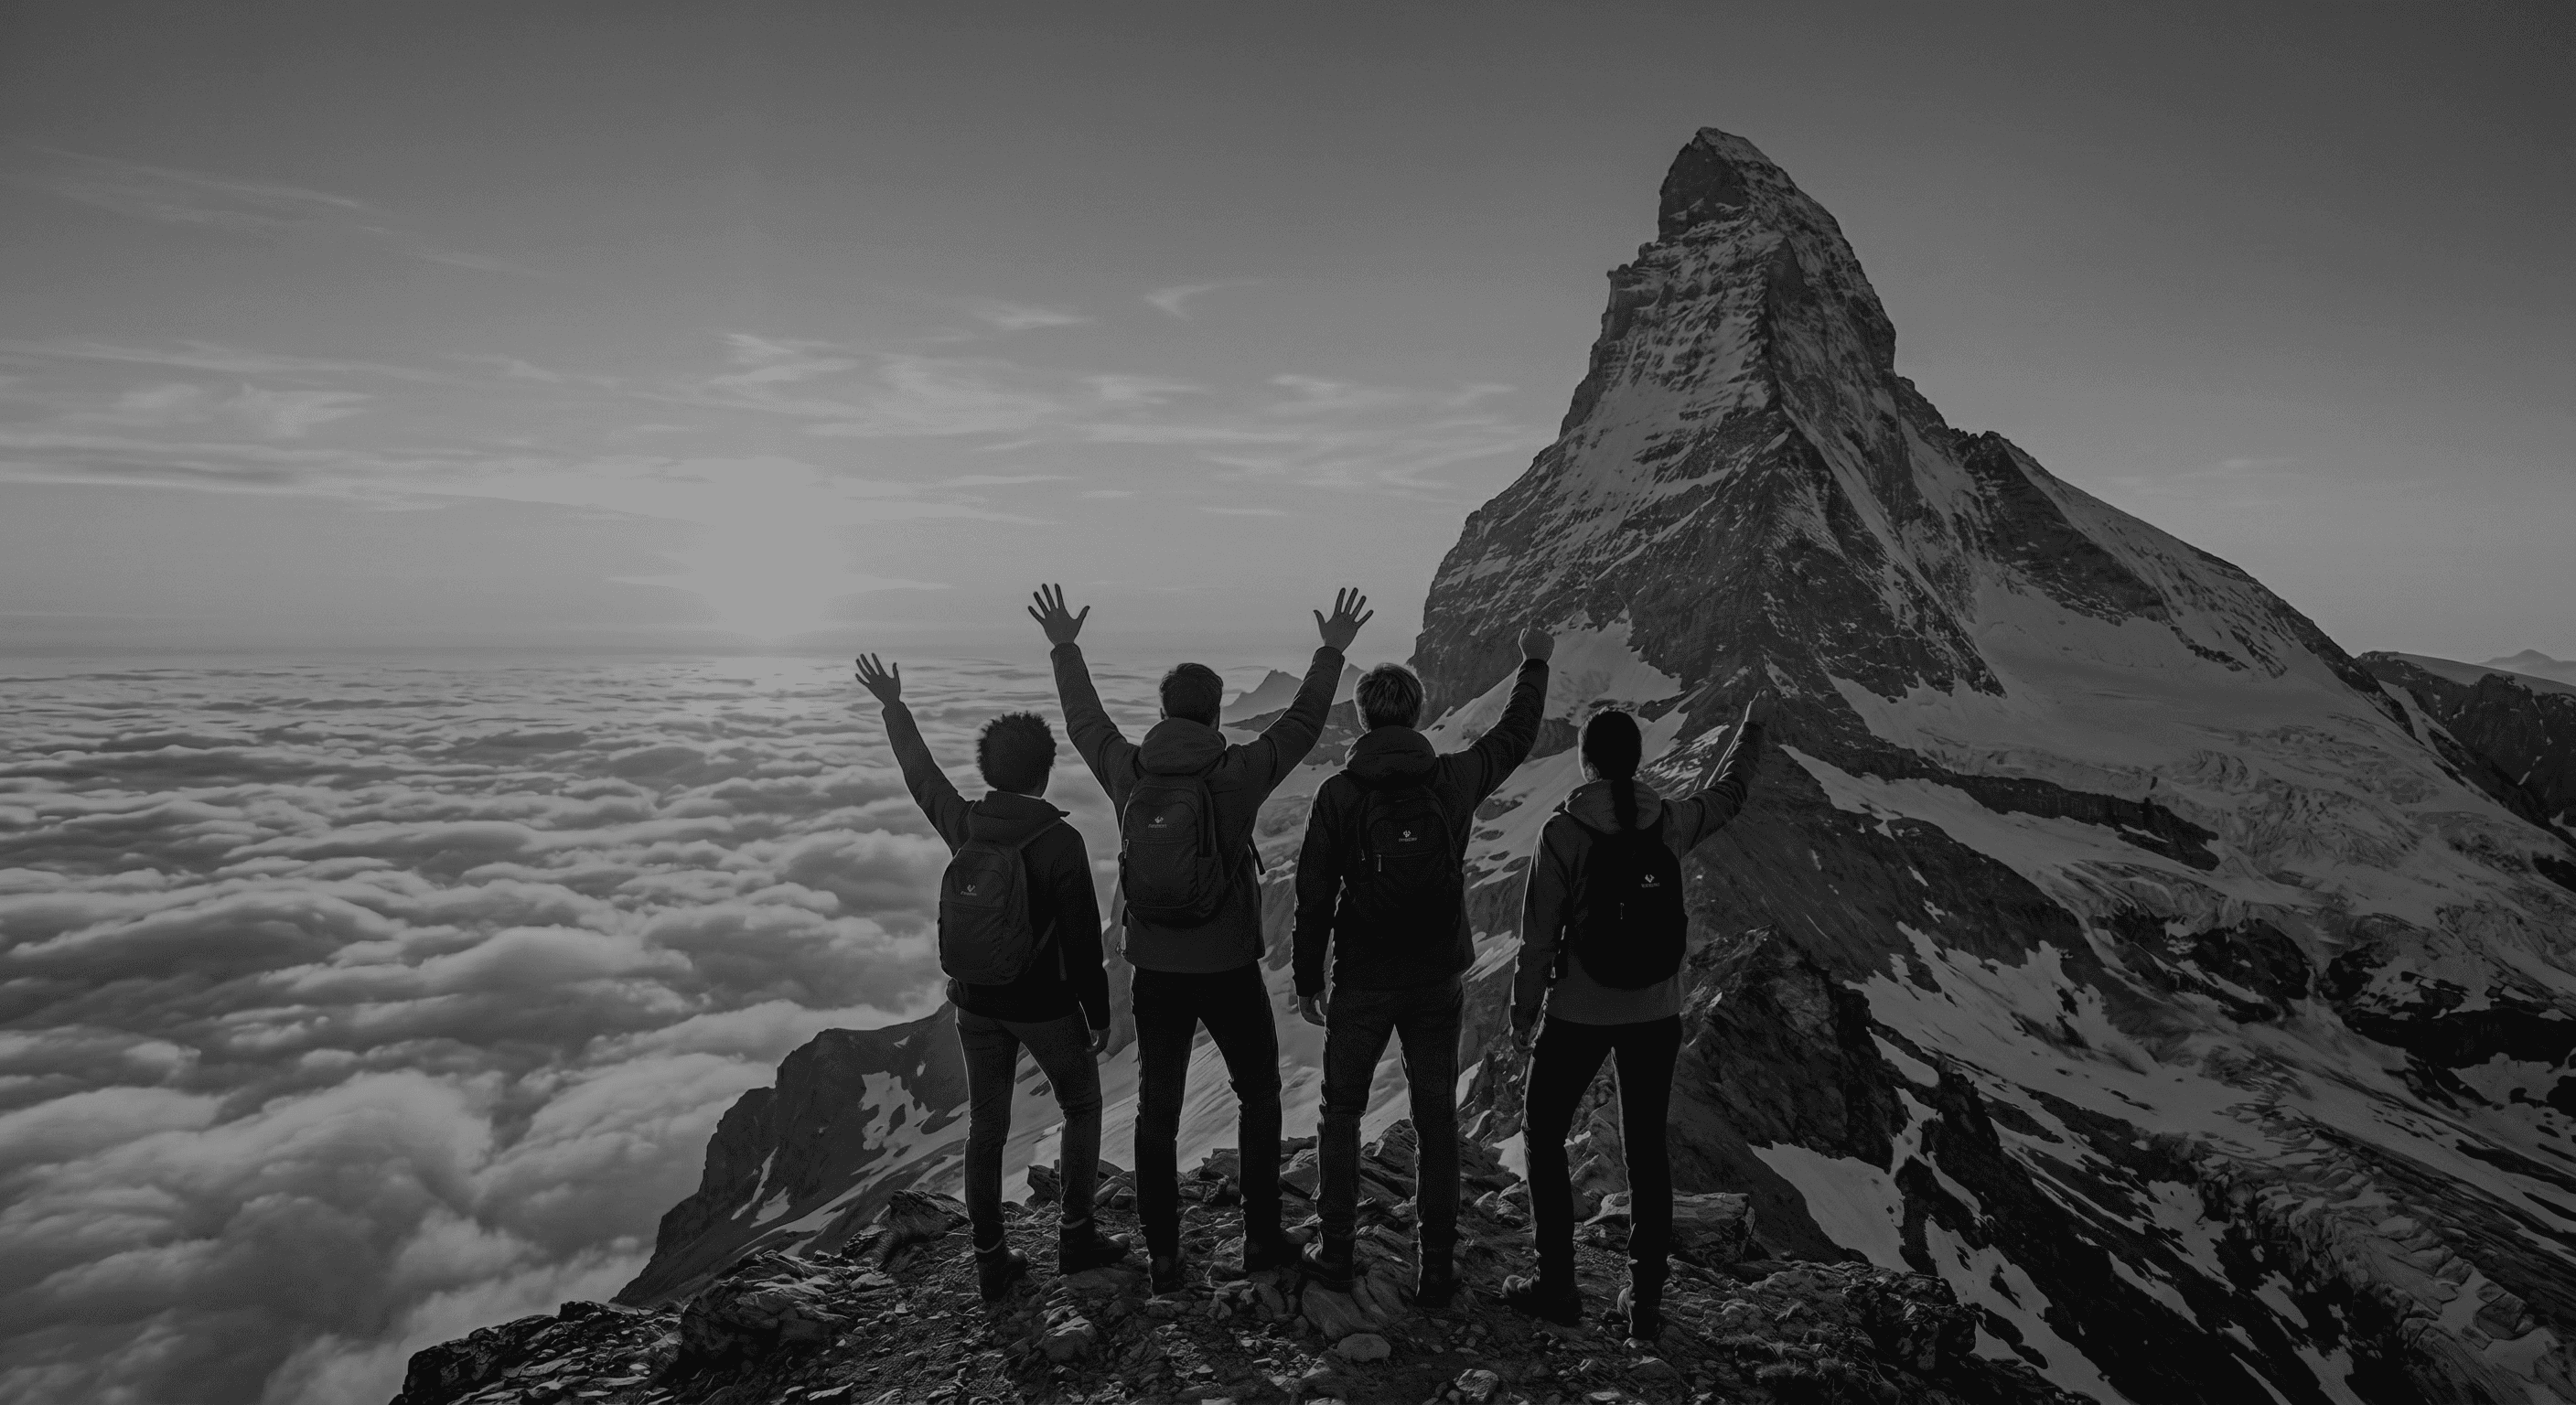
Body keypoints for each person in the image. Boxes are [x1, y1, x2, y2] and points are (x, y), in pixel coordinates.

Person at [1028, 582, 1372, 1293]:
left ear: (1162, 713)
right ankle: (1261, 1238)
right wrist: (1332, 651)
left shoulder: (1130, 771)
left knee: (1159, 1106)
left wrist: (1065, 647)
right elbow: (1304, 724)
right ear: (1217, 714)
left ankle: (1161, 1253)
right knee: (1259, 1093)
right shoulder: (1238, 772)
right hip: (1228, 968)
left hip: (1154, 968)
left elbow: (1084, 722)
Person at [853, 653, 1130, 1303]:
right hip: (1044, 1007)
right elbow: (1085, 943)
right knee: (1082, 1105)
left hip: (974, 1004)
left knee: (986, 1129)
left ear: (989, 771)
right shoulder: (1059, 843)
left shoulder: (966, 822)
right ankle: (1076, 1235)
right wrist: (1098, 1014)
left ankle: (989, 1260)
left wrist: (894, 707)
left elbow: (921, 779)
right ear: (1045, 771)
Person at [1290, 630, 1554, 1307]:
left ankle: (1338, 1250)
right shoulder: (1455, 777)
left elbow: (1315, 894)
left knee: (1341, 1113)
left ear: (1362, 718)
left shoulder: (1339, 794)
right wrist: (1533, 663)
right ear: (1417, 712)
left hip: (1363, 977)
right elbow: (1517, 735)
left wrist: (1307, 978)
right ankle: (1436, 1266)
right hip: (1437, 975)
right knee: (1437, 1118)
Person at [1502, 695, 1766, 1339]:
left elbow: (1538, 938)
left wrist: (1523, 1010)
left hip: (1578, 1011)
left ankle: (1557, 1285)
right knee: (1646, 1148)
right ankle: (1644, 1301)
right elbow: (1729, 795)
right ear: (1637, 760)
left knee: (1542, 1131)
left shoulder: (1563, 831)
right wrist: (1752, 729)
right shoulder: (1670, 820)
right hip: (1656, 1009)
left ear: (1585, 760)